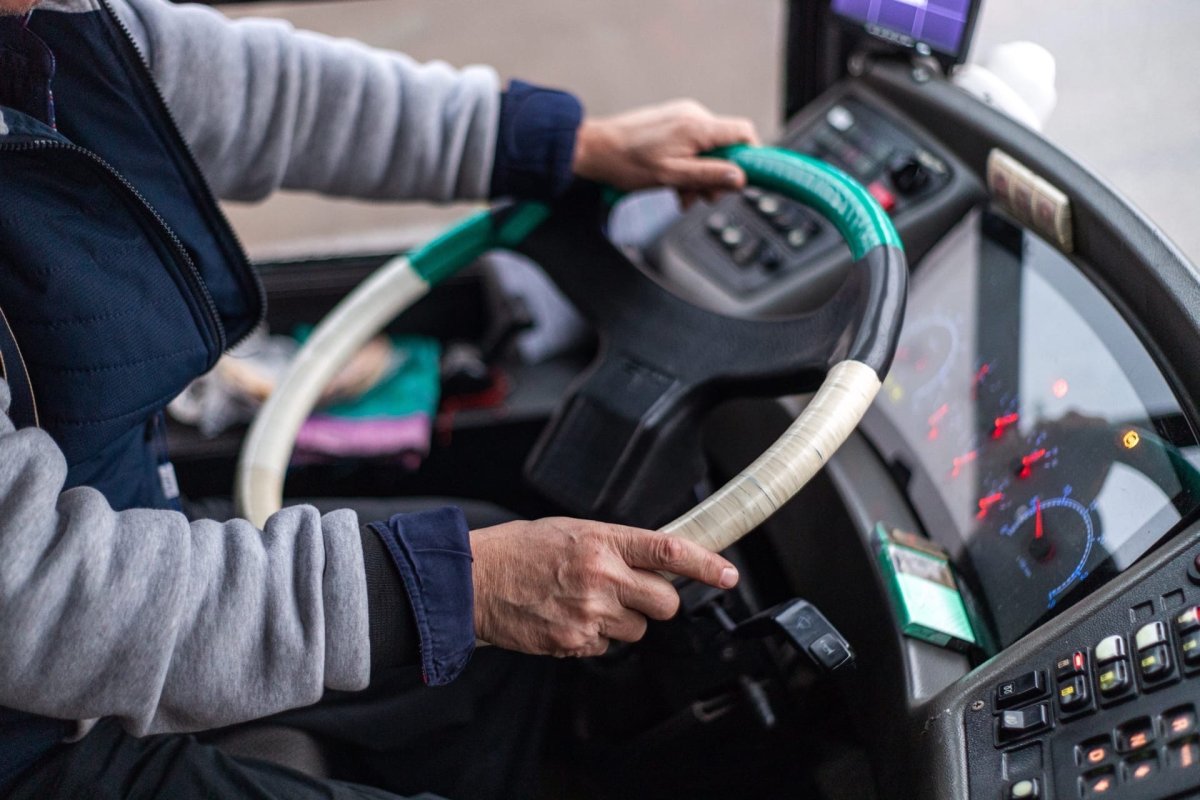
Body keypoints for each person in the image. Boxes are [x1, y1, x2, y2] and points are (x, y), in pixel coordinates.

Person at [0, 0, 762, 797]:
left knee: (487, 611)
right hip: (33, 737)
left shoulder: (48, 26)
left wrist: (566, 144)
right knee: (475, 585)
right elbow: (37, 601)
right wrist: (458, 587)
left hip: (116, 536)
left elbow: (256, 93)